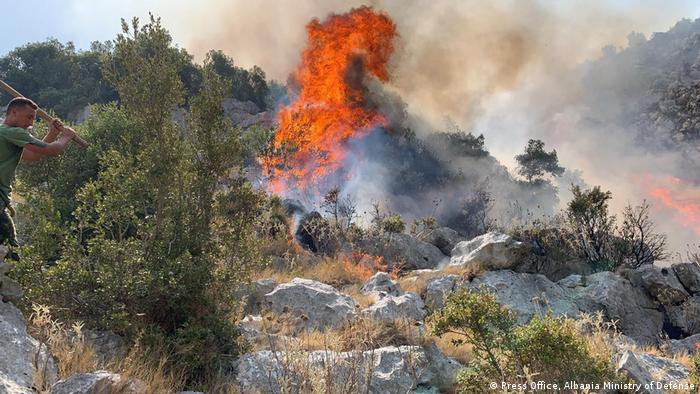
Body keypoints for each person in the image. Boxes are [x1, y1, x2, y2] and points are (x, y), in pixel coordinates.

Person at [0, 97, 76, 256]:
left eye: (33, 118)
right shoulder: (13, 132)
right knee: (10, 249)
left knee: (9, 246)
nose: (31, 123)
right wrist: (66, 136)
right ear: (14, 112)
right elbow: (52, 150)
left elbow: (34, 155)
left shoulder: (5, 134)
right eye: (28, 117)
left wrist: (52, 133)